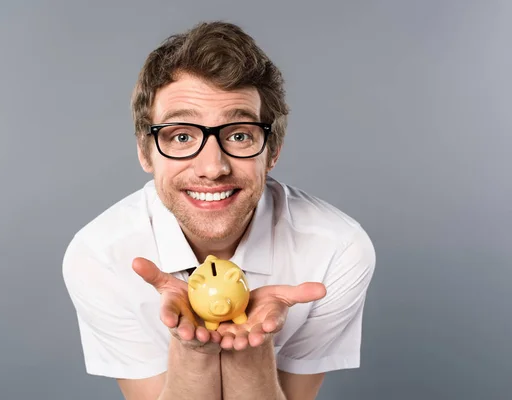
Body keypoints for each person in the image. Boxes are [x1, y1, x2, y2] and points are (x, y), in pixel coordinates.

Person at [62, 20, 376, 400]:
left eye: (240, 135)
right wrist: (194, 349)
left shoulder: (336, 249)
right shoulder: (101, 255)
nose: (213, 167)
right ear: (145, 152)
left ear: (272, 150)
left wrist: (253, 348)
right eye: (181, 136)